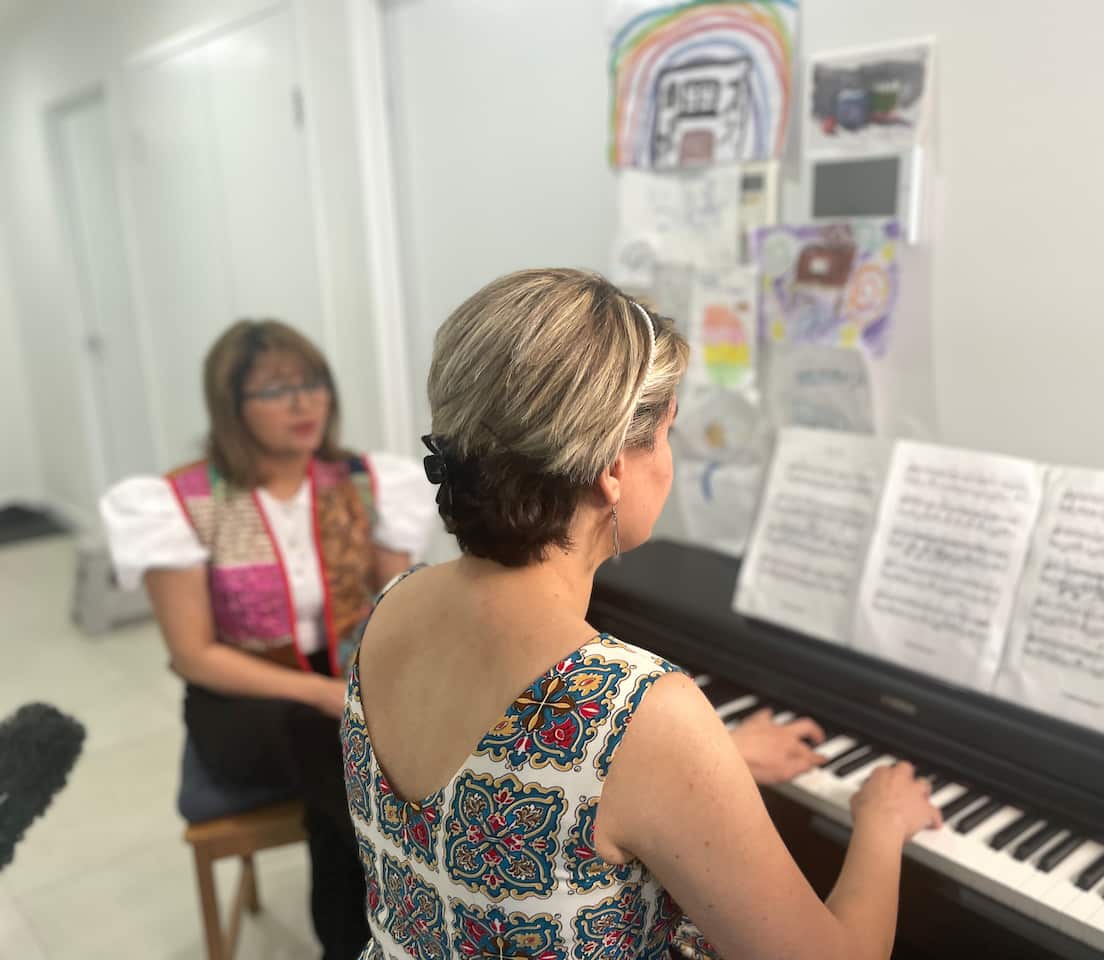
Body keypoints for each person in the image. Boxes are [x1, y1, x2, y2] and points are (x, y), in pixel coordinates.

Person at [343, 269, 941, 960]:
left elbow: (500, 803)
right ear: (612, 470)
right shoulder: (634, 707)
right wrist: (880, 823)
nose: (670, 463)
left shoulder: (393, 605)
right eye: (665, 436)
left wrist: (710, 767)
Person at [100, 319, 433, 960]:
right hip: (241, 696)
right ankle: (400, 920)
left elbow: (395, 605)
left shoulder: (365, 481)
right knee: (339, 749)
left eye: (313, 383)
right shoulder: (181, 500)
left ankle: (358, 940)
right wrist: (320, 693)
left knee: (357, 752)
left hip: (346, 680)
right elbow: (193, 654)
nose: (305, 402)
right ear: (232, 406)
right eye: (277, 390)